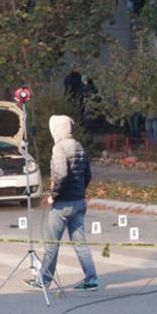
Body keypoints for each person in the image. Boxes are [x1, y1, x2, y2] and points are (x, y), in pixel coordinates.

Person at [29, 115, 98, 291]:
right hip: (79, 201)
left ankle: (43, 280)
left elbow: (61, 173)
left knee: (52, 243)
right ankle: (91, 279)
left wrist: (54, 195)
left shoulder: (59, 147)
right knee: (80, 243)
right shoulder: (78, 146)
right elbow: (88, 174)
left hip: (62, 204)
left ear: (56, 129)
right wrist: (80, 190)